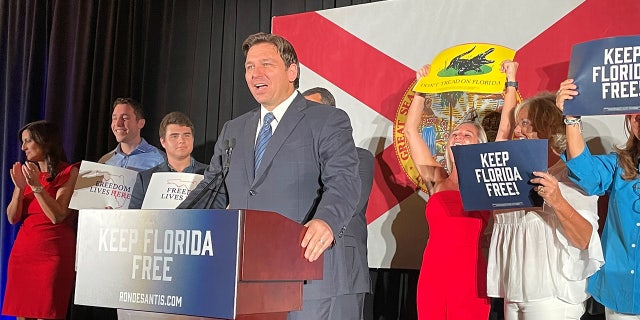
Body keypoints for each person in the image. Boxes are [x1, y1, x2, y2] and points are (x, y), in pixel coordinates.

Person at [178, 32, 361, 320]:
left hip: (305, 274)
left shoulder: (326, 119)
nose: (255, 73)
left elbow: (344, 181)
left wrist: (327, 220)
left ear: (292, 71)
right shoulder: (233, 130)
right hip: (246, 281)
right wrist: (171, 226)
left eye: (266, 64)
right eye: (249, 66)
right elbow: (213, 192)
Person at [487, 65, 604, 320]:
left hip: (552, 296)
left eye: (525, 124)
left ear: (547, 126)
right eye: (518, 124)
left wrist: (556, 199)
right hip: (514, 291)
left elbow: (585, 239)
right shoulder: (514, 174)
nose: (517, 131)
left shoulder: (572, 173)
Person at [403, 65, 492, 320]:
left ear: (480, 146)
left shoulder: (488, 182)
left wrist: (511, 84)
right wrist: (422, 88)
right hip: (434, 277)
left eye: (467, 135)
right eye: (455, 134)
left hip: (471, 279)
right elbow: (410, 131)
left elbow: (506, 130)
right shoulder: (437, 179)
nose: (458, 137)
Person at [557, 79, 640, 319]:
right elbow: (585, 172)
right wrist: (571, 118)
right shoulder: (618, 164)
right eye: (636, 117)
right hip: (620, 289)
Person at [303, 87, 374, 320]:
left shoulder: (358, 156)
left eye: (313, 110)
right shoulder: (297, 158)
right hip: (302, 265)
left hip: (344, 268)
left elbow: (351, 200)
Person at [2, 121, 80, 320]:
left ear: (45, 142)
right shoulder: (30, 175)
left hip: (52, 255)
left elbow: (58, 215)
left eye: (28, 141)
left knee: (47, 313)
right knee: (22, 314)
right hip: (24, 254)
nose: (23, 147)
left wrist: (37, 187)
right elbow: (12, 218)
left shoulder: (69, 172)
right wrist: (20, 188)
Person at [128, 111, 208, 209]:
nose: (181, 140)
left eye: (187, 135)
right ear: (163, 142)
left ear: (193, 139)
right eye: (174, 136)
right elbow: (133, 220)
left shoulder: (210, 175)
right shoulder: (145, 179)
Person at [98, 97, 165, 171]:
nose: (118, 124)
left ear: (141, 123)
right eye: (114, 118)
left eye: (125, 118)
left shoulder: (160, 160)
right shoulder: (104, 161)